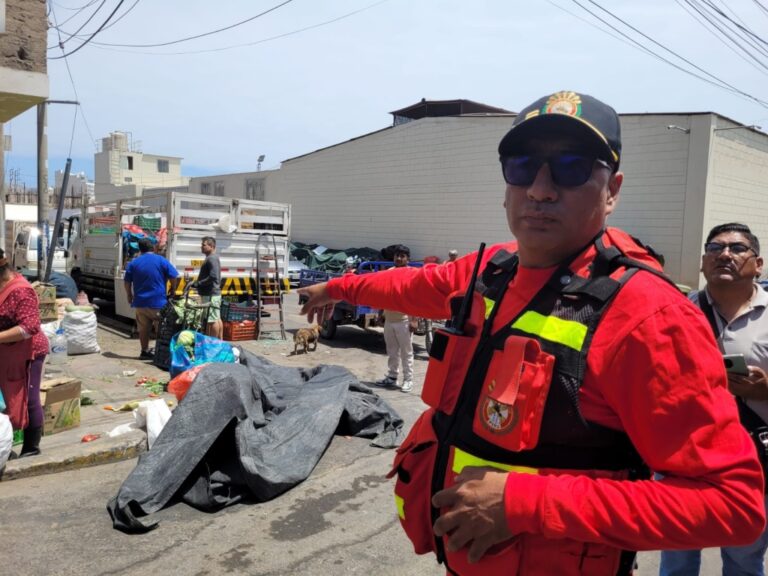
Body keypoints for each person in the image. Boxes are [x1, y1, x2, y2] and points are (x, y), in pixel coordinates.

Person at [298, 90, 765, 574]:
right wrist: (335, 287)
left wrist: (526, 503)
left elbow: (733, 506)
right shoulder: (492, 270)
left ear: (613, 190)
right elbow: (412, 286)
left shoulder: (650, 317)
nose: (540, 189)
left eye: (571, 166)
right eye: (522, 165)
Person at [660, 222, 768, 576]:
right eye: (714, 248)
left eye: (737, 249)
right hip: (683, 456)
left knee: (744, 560)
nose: (724, 254)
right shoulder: (673, 311)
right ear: (703, 262)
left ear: (759, 263)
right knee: (677, 559)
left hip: (752, 459)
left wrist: (763, 390)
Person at [0, 247, 48, 458]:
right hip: (7, 352)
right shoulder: (3, 286)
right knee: (6, 398)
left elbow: (29, 327)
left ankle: (31, 447)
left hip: (30, 352)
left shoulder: (21, 290)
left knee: (28, 398)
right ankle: (5, 447)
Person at [124, 238, 180, 359]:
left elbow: (127, 281)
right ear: (153, 248)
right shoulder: (161, 260)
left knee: (143, 329)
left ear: (140, 249)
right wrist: (173, 289)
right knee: (161, 329)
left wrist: (129, 295)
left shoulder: (134, 263)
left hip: (140, 303)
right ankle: (161, 353)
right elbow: (174, 275)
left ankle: (144, 351)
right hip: (158, 303)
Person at [375, 245, 415, 393]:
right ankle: (392, 377)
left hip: (404, 320)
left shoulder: (411, 274)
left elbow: (415, 298)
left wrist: (414, 319)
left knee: (406, 352)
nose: (399, 258)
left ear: (407, 259)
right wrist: (380, 314)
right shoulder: (389, 273)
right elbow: (383, 294)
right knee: (391, 351)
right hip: (389, 320)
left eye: (402, 256)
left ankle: (408, 380)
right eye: (397, 255)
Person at [195, 236, 222, 339]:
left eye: (203, 245)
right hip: (212, 293)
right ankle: (219, 341)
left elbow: (213, 276)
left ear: (211, 246)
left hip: (210, 294)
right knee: (216, 318)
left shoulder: (212, 258)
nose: (201, 247)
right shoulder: (211, 258)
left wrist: (200, 283)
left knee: (212, 320)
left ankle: (213, 342)